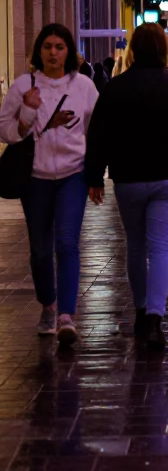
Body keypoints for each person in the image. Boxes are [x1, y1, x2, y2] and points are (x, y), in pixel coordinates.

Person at [85, 24, 168, 350]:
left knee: (136, 245)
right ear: (165, 50)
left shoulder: (115, 88)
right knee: (160, 247)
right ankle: (155, 318)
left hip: (128, 178)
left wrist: (95, 177)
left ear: (133, 50)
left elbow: (98, 134)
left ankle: (140, 311)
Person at [0, 23, 99, 344]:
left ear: (69, 51)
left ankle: (67, 315)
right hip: (35, 179)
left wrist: (95, 172)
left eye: (59, 46)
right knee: (41, 249)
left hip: (73, 175)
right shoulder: (22, 87)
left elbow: (94, 131)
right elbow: (7, 133)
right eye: (47, 46)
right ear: (38, 51)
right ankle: (48, 305)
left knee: (67, 243)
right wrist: (28, 111)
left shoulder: (84, 85)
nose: (53, 53)